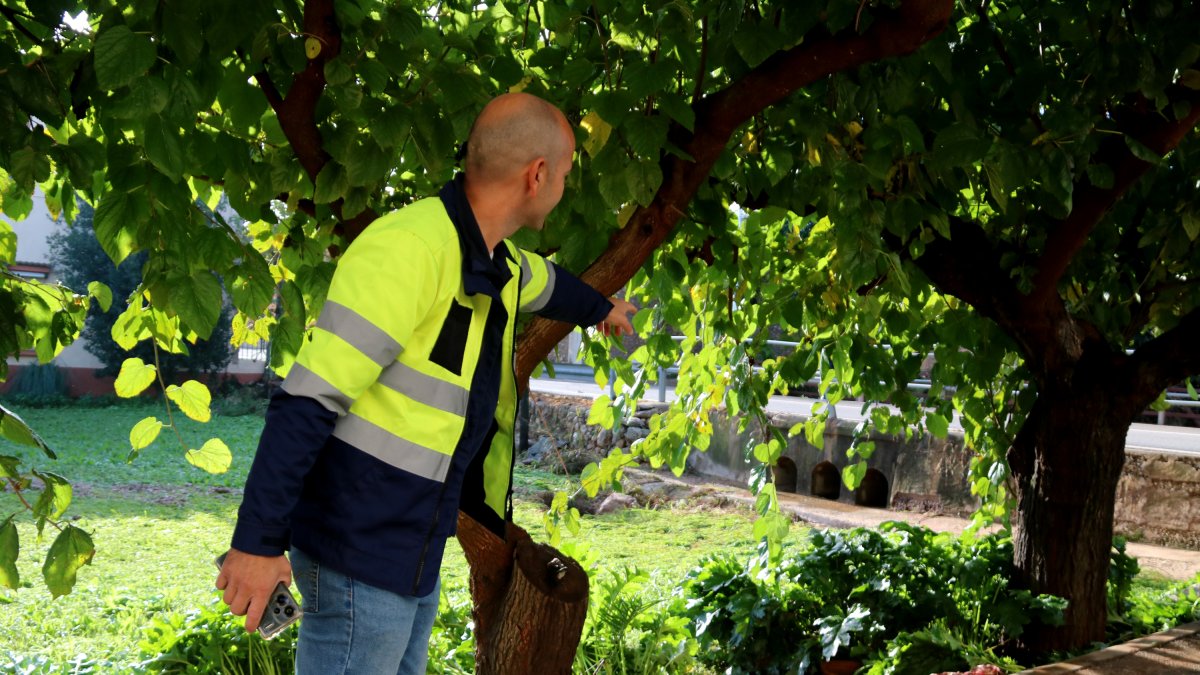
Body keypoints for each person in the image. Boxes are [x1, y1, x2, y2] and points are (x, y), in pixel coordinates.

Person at [215, 92, 636, 673]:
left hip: (412, 551)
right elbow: (307, 400)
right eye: (564, 174)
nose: (564, 186)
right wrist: (257, 544)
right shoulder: (410, 249)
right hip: (357, 553)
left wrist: (601, 308)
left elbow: (546, 284)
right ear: (537, 175)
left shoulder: (495, 260)